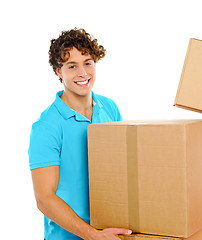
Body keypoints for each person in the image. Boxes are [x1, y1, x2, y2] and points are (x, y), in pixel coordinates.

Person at [28, 28, 132, 240]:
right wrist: (93, 235)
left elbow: (122, 168)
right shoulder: (46, 126)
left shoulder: (109, 108)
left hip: (110, 232)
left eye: (88, 62)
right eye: (72, 66)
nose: (83, 73)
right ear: (59, 71)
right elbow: (44, 199)